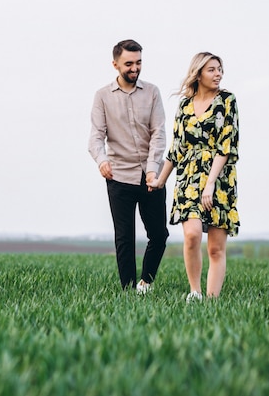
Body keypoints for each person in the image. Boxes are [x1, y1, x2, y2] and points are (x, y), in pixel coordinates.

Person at [149, 52, 240, 302]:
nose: (218, 73)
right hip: (188, 178)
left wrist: (210, 183)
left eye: (220, 69)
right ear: (198, 73)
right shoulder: (185, 105)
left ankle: (211, 302)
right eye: (211, 69)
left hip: (219, 180)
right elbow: (176, 148)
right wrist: (160, 180)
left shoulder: (227, 101)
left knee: (215, 247)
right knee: (191, 236)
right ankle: (195, 293)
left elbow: (226, 146)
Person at [88, 39, 169, 293]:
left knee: (159, 235)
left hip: (150, 176)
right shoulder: (102, 96)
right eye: (129, 64)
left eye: (139, 62)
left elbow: (159, 133)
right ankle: (127, 290)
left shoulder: (153, 92)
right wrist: (102, 161)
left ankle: (145, 282)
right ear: (115, 65)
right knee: (124, 238)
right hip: (119, 176)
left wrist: (154, 167)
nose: (135, 68)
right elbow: (95, 137)